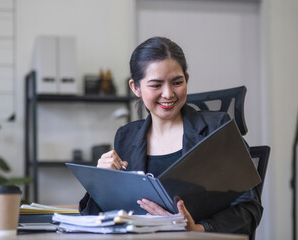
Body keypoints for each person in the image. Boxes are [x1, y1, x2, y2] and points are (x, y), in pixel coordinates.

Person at [79, 36, 262, 234]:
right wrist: (102, 180)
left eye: (177, 82)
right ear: (135, 88)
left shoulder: (216, 128)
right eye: (156, 85)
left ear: (187, 79)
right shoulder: (126, 136)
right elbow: (95, 215)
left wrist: (197, 229)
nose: (168, 94)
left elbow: (249, 209)